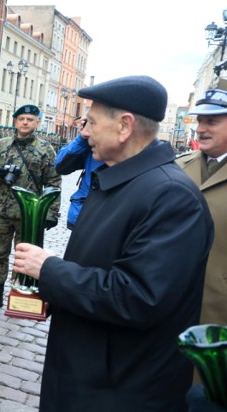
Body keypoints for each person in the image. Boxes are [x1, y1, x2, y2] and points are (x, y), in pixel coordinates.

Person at [12, 76, 214, 412]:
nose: (85, 132)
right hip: (91, 368)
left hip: (120, 387)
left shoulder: (171, 196)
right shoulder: (119, 177)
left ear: (124, 126)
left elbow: (139, 296)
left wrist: (49, 271)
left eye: (91, 122)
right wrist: (54, 293)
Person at [0, 104, 61, 312]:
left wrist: (51, 213)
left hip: (29, 215)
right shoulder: (1, 144)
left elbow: (53, 183)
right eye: (22, 118)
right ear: (15, 121)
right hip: (2, 212)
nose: (25, 122)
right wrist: (1, 171)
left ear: (37, 123)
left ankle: (21, 291)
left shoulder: (45, 149)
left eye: (30, 119)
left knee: (26, 257)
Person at [176, 88, 227, 327]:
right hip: (171, 304)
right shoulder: (177, 168)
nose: (201, 129)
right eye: (199, 121)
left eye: (212, 122)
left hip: (219, 311)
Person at [54, 116, 104, 229]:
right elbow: (61, 166)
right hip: (82, 213)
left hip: (107, 220)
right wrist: (82, 139)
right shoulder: (88, 144)